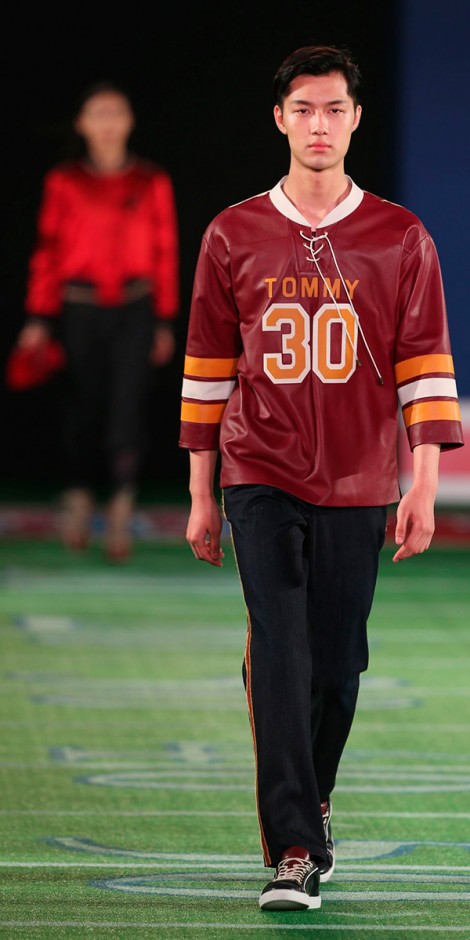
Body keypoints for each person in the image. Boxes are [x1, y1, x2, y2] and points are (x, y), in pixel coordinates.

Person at [179, 45, 464, 912]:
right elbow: (208, 367)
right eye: (303, 109)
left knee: (338, 666)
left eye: (334, 108)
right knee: (282, 650)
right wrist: (200, 492)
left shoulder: (400, 235)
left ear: (355, 118)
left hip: (360, 478)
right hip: (259, 471)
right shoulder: (232, 233)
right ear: (280, 118)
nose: (318, 124)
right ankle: (294, 848)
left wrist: (423, 484)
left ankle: (316, 797)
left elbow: (424, 365)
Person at [15, 80, 180, 561]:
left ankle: (121, 512)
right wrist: (38, 316)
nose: (108, 123)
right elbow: (47, 250)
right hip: (79, 307)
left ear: (130, 122)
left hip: (135, 308)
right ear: (82, 124)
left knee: (127, 410)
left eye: (116, 112)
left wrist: (165, 320)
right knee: (81, 409)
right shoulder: (64, 181)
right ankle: (79, 501)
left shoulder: (151, 181)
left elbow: (165, 251)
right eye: (98, 113)